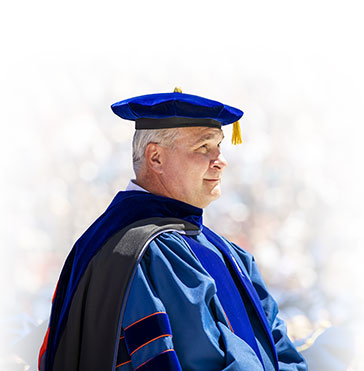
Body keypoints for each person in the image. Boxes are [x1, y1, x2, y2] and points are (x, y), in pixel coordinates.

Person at [38, 88, 307, 370]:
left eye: (219, 147)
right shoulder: (143, 252)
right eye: (203, 147)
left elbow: (281, 351)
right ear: (155, 158)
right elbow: (191, 358)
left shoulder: (229, 253)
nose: (220, 160)